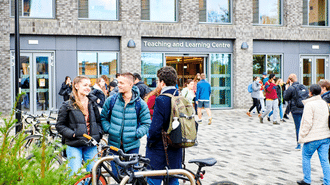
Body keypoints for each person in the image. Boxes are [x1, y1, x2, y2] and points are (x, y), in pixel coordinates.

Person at [100, 72, 151, 177]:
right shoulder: (111, 100)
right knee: (117, 175)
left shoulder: (140, 104)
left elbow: (146, 123)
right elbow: (103, 118)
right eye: (118, 82)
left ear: (131, 85)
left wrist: (136, 134)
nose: (118, 85)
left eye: (122, 83)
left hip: (132, 146)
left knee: (132, 176)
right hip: (114, 146)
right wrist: (109, 129)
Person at [56, 76, 103, 176]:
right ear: (76, 86)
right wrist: (72, 134)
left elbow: (98, 122)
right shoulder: (67, 105)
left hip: (91, 144)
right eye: (85, 85)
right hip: (74, 145)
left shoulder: (92, 103)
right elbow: (60, 125)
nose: (88, 88)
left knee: (94, 175)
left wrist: (98, 134)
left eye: (89, 85)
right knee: (74, 176)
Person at [146, 66, 182, 185]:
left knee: (153, 179)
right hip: (176, 146)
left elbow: (155, 128)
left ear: (162, 82)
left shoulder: (161, 99)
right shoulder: (180, 97)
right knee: (173, 179)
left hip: (160, 150)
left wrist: (150, 141)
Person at [297, 84, 330, 185]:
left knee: (306, 156)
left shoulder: (309, 105)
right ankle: (327, 182)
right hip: (325, 136)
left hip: (313, 137)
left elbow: (307, 123)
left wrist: (302, 135)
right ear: (320, 92)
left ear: (310, 92)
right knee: (325, 160)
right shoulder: (324, 103)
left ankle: (307, 180)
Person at [284, 73, 309, 150]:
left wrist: (287, 89)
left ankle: (299, 145)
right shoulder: (304, 87)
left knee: (298, 127)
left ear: (290, 80)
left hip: (295, 109)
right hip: (304, 108)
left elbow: (285, 98)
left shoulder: (291, 88)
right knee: (305, 126)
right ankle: (306, 143)